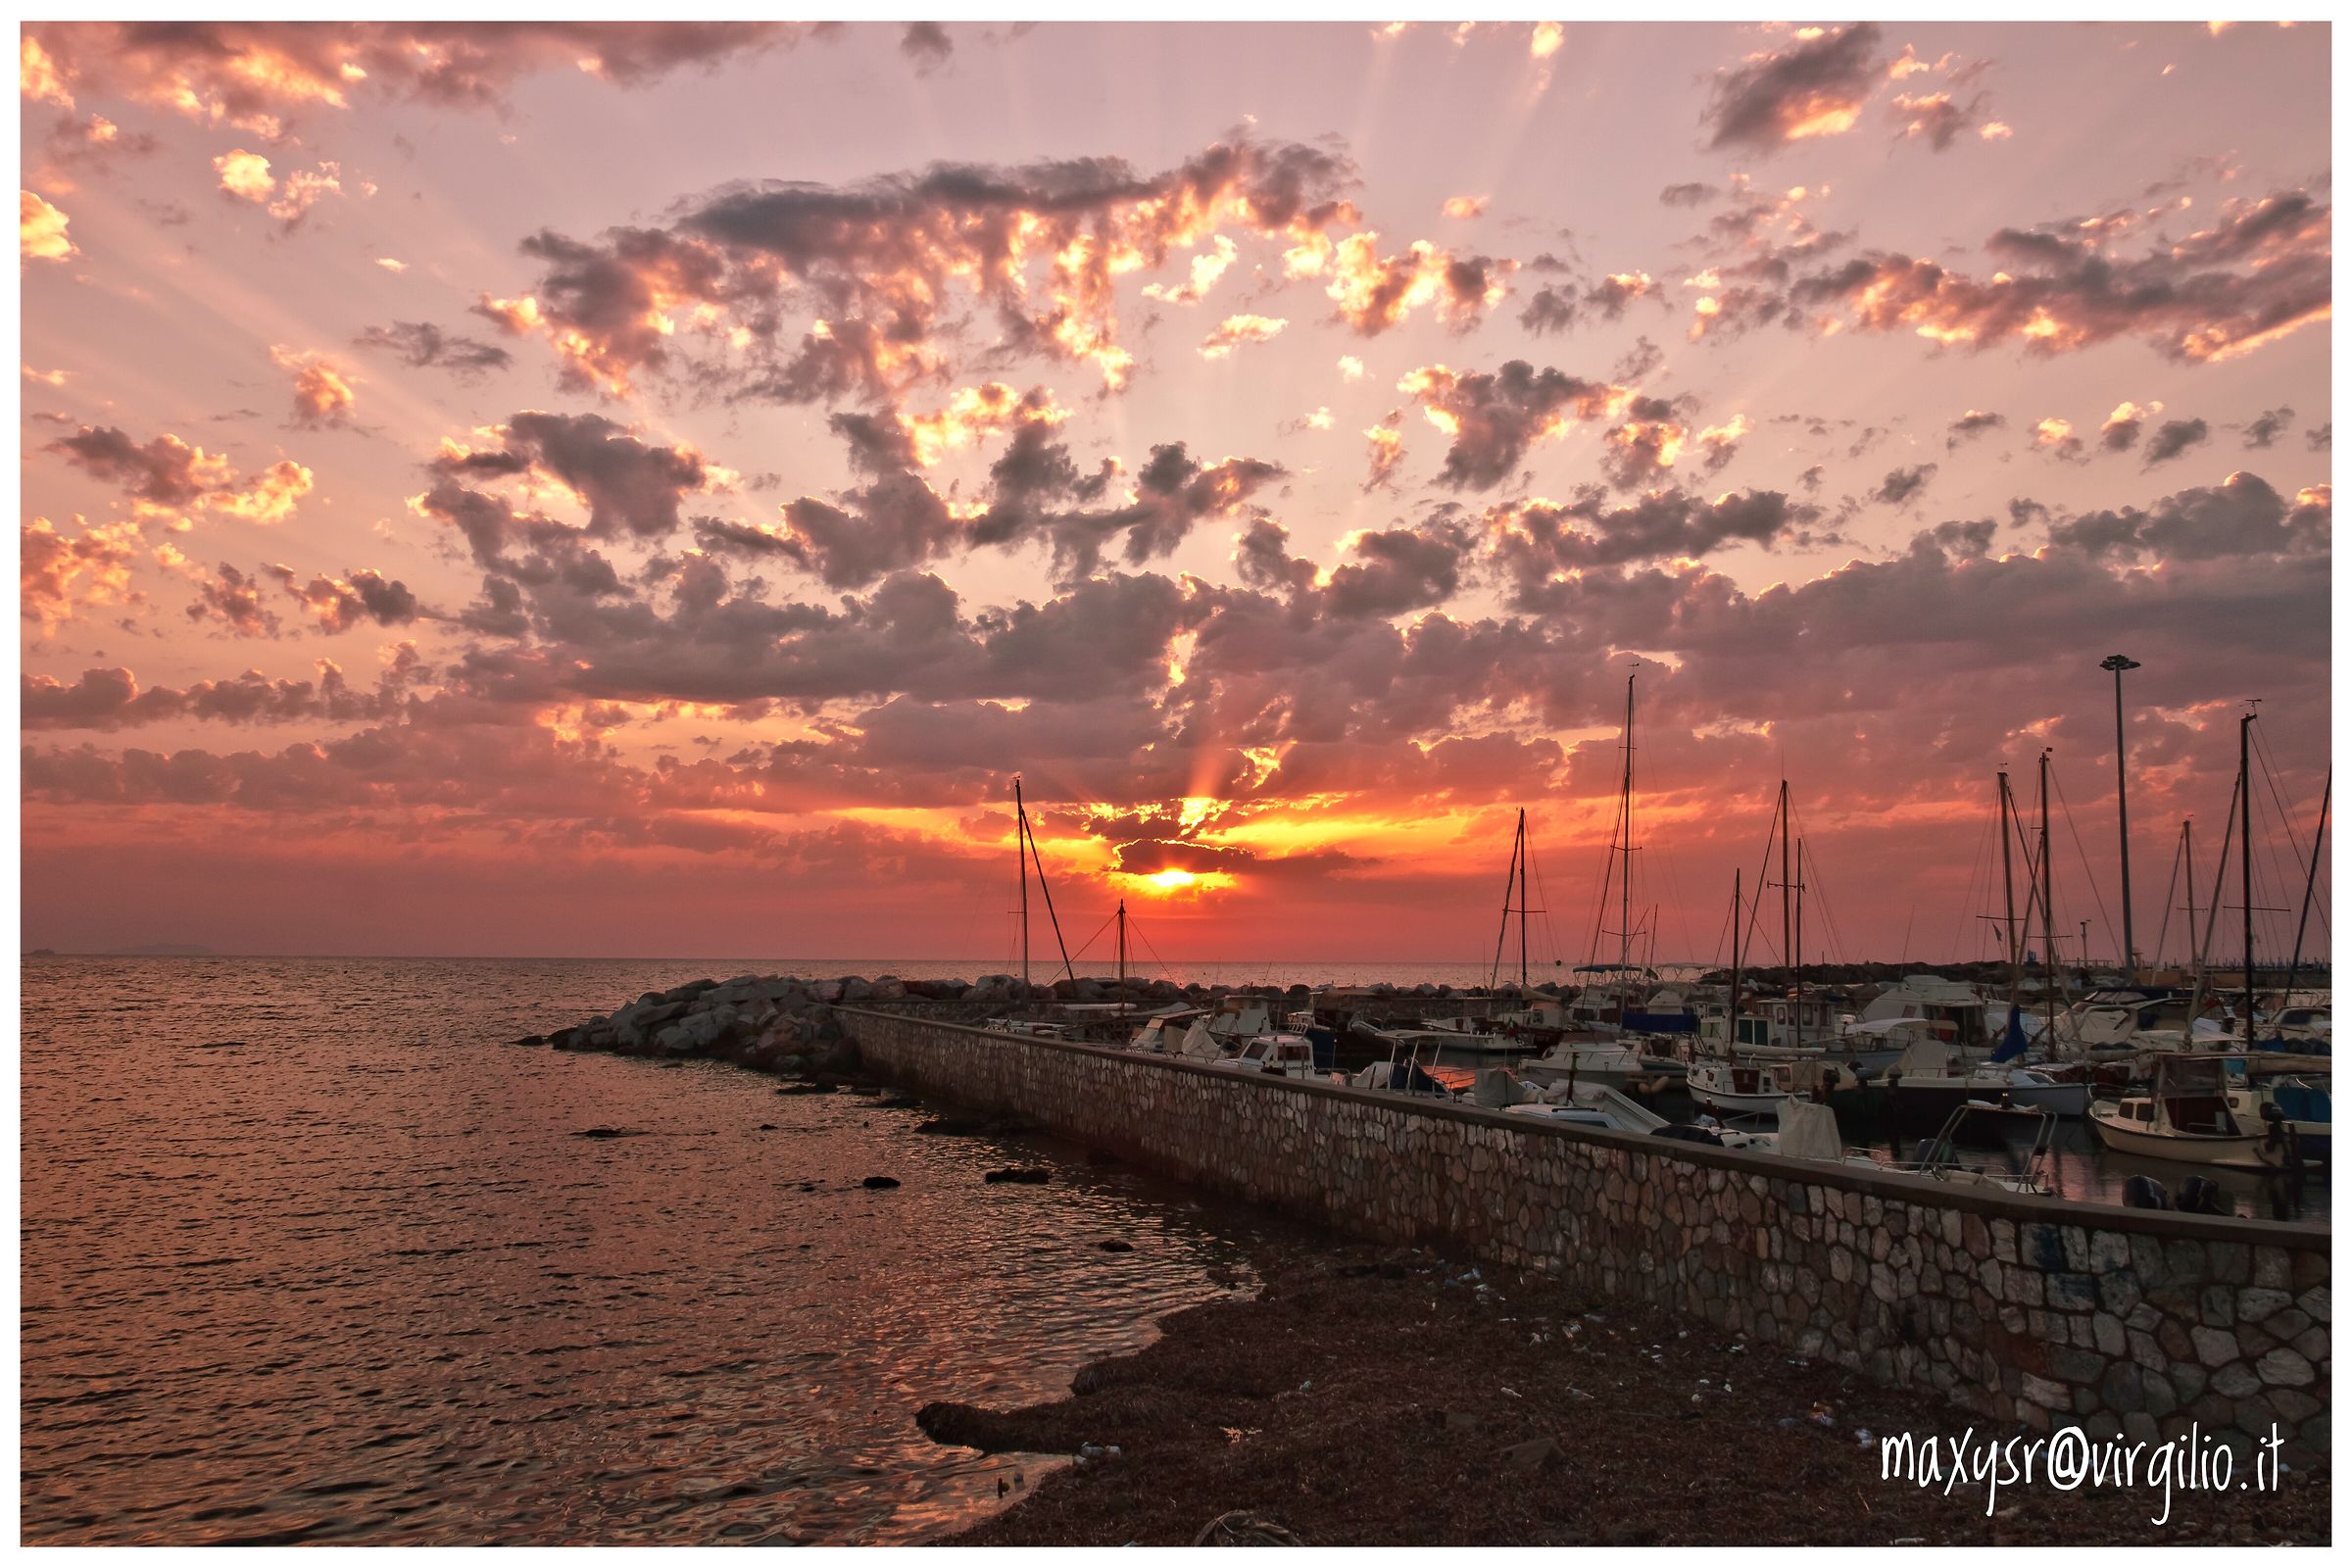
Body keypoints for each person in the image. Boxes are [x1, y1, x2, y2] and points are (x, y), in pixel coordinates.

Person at [2255, 1102, 2307, 1221]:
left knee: (2279, 1196)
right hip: (2295, 1167)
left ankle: (2284, 1212)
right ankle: (2293, 1208)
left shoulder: (2273, 1128)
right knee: (2291, 1194)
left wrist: (2266, 1146)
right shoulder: (2285, 1128)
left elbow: (2271, 1147)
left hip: (2286, 1168)